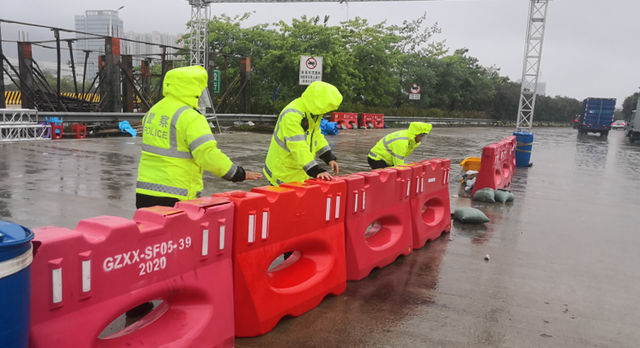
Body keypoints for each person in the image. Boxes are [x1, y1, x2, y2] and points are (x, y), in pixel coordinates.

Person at [131, 65, 261, 323]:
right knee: (177, 249)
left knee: (148, 249)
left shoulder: (155, 111)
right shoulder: (190, 117)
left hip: (145, 191)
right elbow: (207, 155)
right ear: (192, 89)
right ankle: (178, 303)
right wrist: (237, 173)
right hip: (176, 193)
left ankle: (136, 303)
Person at [263, 81, 342, 186]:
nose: (324, 113)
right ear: (317, 103)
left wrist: (329, 158)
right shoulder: (292, 114)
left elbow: (316, 137)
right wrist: (316, 170)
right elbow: (297, 146)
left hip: (298, 170)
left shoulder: (311, 113)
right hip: (283, 172)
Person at [368, 122, 433, 169]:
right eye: (420, 136)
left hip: (385, 159)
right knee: (384, 179)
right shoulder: (402, 142)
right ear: (415, 134)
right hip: (376, 159)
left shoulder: (409, 138)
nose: (421, 139)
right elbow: (398, 164)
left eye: (423, 136)